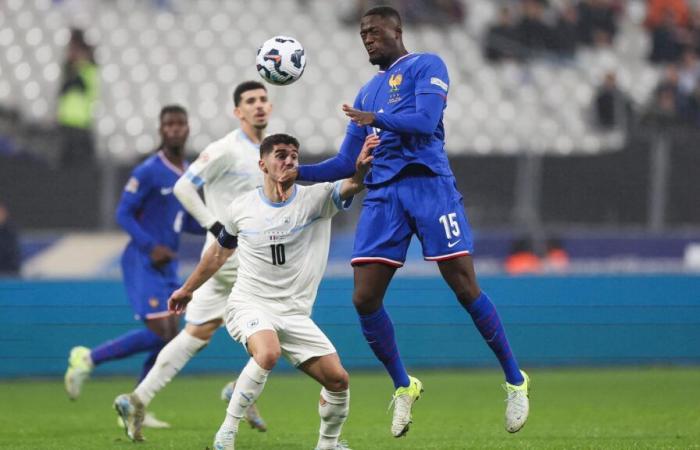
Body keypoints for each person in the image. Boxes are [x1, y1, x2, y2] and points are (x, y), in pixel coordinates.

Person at [283, 5, 530, 437]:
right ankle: (403, 385)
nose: (367, 38)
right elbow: (346, 162)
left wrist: (376, 119)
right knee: (363, 299)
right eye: (362, 33)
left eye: (374, 30)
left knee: (464, 286)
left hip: (428, 185)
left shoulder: (426, 65)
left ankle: (515, 379)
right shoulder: (366, 93)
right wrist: (295, 173)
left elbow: (425, 120)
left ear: (397, 30)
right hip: (383, 195)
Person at [166, 133, 375, 450]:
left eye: (294, 155)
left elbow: (349, 186)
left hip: (293, 313)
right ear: (263, 164)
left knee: (338, 381)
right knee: (268, 352)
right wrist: (187, 289)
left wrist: (359, 171)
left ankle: (328, 444)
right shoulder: (242, 208)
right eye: (281, 154)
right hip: (250, 304)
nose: (289, 160)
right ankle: (227, 433)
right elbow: (219, 253)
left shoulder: (314, 198)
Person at [113, 81, 271, 441]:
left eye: (263, 99)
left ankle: (138, 398)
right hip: (240, 256)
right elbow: (185, 186)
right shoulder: (226, 149)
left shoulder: (266, 147)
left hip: (220, 260)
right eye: (250, 101)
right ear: (238, 111)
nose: (259, 106)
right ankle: (241, 391)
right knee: (280, 326)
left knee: (195, 334)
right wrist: (214, 226)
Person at [64, 105, 204, 429]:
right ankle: (86, 359)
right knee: (164, 331)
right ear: (160, 129)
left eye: (180, 123)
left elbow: (184, 220)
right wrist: (149, 245)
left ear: (187, 128)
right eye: (168, 124)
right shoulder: (148, 170)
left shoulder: (186, 171)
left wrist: (217, 227)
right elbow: (123, 213)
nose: (174, 129)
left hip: (167, 264)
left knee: (171, 338)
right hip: (144, 260)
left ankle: (137, 404)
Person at [56, 28, 99, 167]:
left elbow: (88, 89)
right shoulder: (68, 70)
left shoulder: (88, 70)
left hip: (81, 124)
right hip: (65, 122)